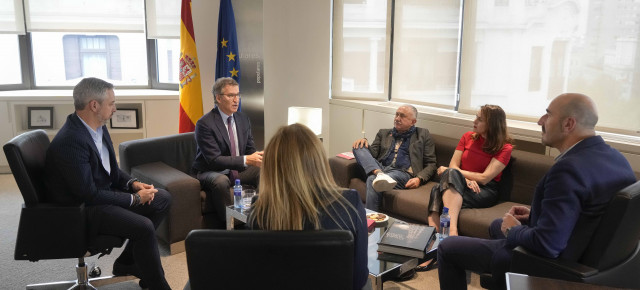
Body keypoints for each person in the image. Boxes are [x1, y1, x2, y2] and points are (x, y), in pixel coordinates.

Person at [437, 93, 637, 290]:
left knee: (447, 248)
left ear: (568, 124)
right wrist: (535, 215)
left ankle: (504, 265)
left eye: (548, 115)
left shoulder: (568, 170)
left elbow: (547, 244)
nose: (540, 120)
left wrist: (513, 231)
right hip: (588, 255)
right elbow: (588, 213)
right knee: (496, 224)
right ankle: (500, 275)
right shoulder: (616, 159)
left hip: (550, 263)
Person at [44, 77, 172, 290]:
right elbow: (88, 194)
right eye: (111, 103)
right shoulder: (71, 140)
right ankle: (158, 284)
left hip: (99, 196)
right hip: (81, 210)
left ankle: (128, 262)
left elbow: (110, 170)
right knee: (143, 226)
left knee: (162, 199)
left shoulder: (98, 128)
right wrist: (133, 199)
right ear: (94, 105)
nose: (115, 108)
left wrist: (132, 184)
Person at [248, 124, 369, 290]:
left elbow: (256, 275)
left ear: (271, 166)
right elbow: (359, 277)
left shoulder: (258, 211)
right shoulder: (350, 203)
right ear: (319, 161)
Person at [427, 105, 513, 236]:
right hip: (461, 183)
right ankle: (448, 234)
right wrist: (465, 180)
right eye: (476, 117)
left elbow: (485, 178)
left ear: (492, 124)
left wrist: (457, 175)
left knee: (438, 190)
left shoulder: (505, 148)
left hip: (484, 190)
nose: (474, 121)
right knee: (447, 180)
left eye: (480, 119)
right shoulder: (467, 137)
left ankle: (436, 236)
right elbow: (453, 166)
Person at [192, 77, 262, 228]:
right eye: (231, 96)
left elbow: (250, 150)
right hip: (210, 170)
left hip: (237, 169)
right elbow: (214, 160)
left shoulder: (243, 119)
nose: (236, 100)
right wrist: (246, 160)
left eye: (238, 95)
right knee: (221, 181)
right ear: (218, 98)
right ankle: (231, 223)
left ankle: (260, 216)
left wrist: (260, 157)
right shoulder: (205, 124)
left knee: (264, 170)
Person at [352, 104, 437, 211]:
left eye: (402, 116)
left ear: (413, 122)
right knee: (358, 147)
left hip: (402, 172)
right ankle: (380, 174)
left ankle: (371, 221)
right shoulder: (384, 133)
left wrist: (419, 179)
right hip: (381, 167)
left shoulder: (423, 135)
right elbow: (373, 154)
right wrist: (364, 142)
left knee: (372, 180)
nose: (397, 118)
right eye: (396, 115)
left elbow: (431, 164)